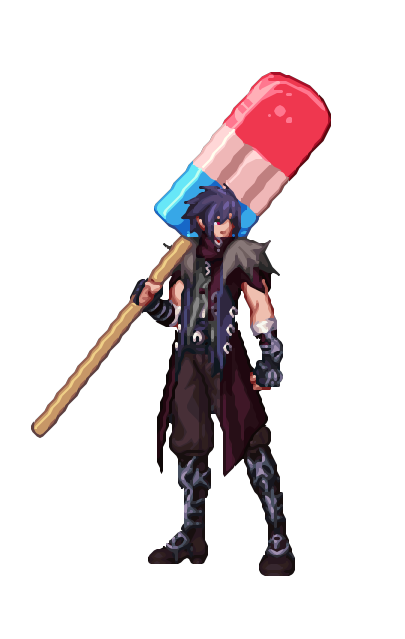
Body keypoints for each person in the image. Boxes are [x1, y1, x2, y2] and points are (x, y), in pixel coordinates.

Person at [133, 184, 294, 576]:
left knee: (252, 441)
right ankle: (193, 537)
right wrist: (151, 304)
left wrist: (270, 355)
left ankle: (278, 538)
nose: (226, 226)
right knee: (189, 446)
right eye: (218, 219)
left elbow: (259, 306)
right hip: (188, 363)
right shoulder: (184, 259)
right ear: (202, 221)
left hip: (228, 363)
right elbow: (176, 315)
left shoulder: (242, 256)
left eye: (230, 219)